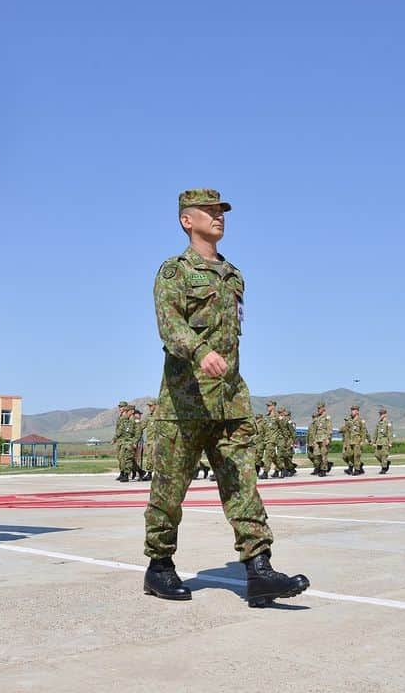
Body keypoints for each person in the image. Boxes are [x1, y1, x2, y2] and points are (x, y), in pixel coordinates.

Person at [143, 188, 307, 607]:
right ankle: (159, 567)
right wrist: (200, 351)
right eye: (210, 212)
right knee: (168, 490)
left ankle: (259, 569)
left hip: (230, 400)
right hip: (184, 402)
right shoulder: (173, 272)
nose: (219, 218)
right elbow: (170, 326)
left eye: (221, 212)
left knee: (242, 482)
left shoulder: (233, 275)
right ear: (187, 220)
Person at [342, 405, 369, 475]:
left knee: (356, 455)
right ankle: (357, 466)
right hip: (350, 441)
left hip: (357, 441)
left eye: (353, 410)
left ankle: (357, 470)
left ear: (357, 411)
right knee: (349, 455)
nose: (352, 411)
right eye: (351, 410)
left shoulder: (361, 421)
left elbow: (364, 432)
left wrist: (363, 441)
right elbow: (346, 429)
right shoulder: (349, 420)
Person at [311, 400, 332, 477]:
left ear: (323, 408)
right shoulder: (317, 418)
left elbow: (329, 429)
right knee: (316, 455)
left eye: (320, 408)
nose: (318, 410)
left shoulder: (327, 417)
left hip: (323, 439)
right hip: (317, 439)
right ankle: (324, 466)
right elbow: (314, 430)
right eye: (317, 408)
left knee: (324, 455)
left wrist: (328, 438)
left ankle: (323, 470)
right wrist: (313, 440)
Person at [373, 408, 393, 474]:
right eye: (380, 414)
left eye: (382, 414)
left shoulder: (388, 423)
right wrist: (373, 442)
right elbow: (375, 433)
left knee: (384, 455)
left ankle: (384, 469)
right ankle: (386, 463)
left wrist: (390, 443)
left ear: (385, 415)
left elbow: (390, 434)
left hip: (385, 442)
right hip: (378, 442)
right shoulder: (378, 423)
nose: (380, 415)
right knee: (376, 455)